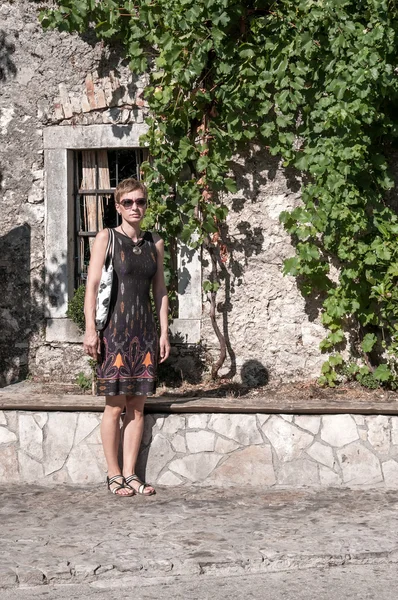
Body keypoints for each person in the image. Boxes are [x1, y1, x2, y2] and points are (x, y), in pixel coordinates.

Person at [83, 178, 170, 497]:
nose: (136, 207)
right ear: (118, 206)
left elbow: (159, 290)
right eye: (129, 202)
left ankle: (132, 474)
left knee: (137, 407)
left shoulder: (155, 242)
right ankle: (113, 474)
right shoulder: (106, 237)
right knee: (115, 405)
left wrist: (164, 332)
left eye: (141, 202)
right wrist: (91, 329)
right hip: (114, 333)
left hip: (144, 332)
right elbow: (92, 286)